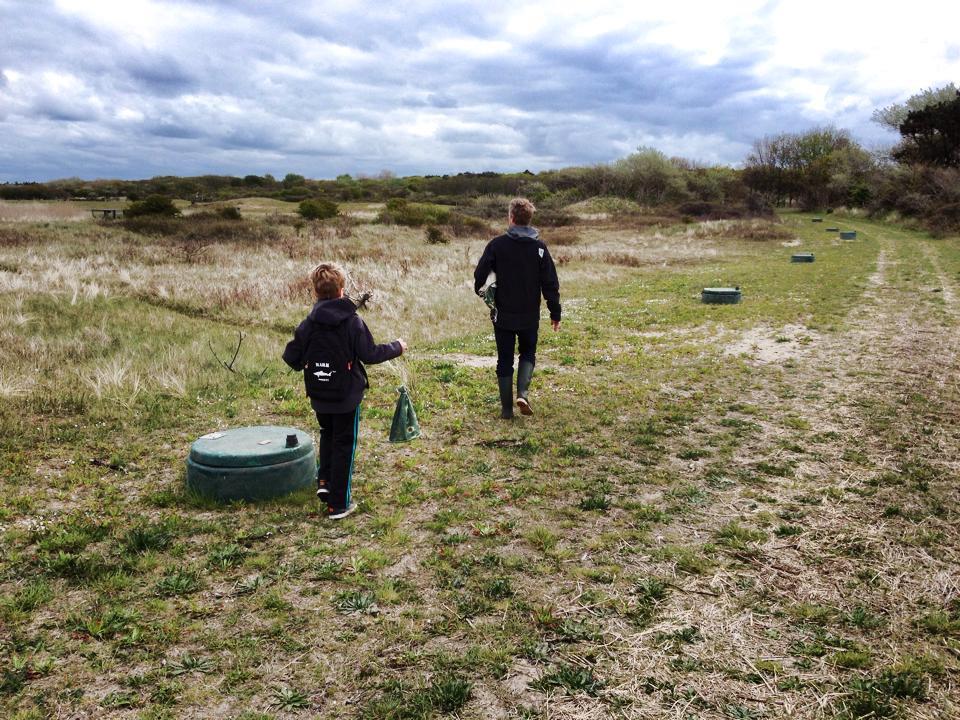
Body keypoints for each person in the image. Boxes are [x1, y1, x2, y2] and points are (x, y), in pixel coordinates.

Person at [283, 262, 406, 519]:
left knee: (328, 434)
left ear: (315, 291)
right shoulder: (352, 322)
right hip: (346, 397)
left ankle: (325, 484)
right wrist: (397, 346)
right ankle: (339, 505)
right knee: (344, 446)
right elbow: (369, 354)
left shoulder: (308, 324)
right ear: (342, 289)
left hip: (319, 396)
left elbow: (291, 358)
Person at [473, 197, 561, 419]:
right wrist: (555, 312)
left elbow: (479, 274)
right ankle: (522, 393)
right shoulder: (540, 248)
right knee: (528, 352)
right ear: (529, 220)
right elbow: (550, 283)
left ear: (511, 218)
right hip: (529, 315)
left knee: (504, 359)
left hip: (503, 314)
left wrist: (480, 289)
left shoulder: (496, 245)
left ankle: (506, 410)